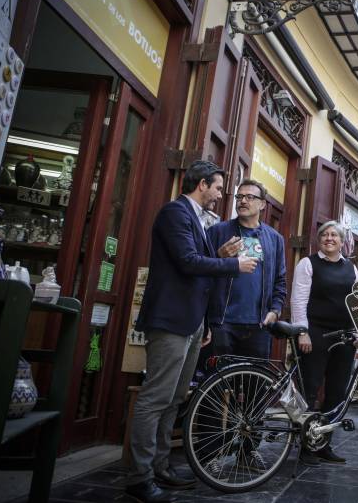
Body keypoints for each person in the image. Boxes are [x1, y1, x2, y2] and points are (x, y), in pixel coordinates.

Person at [127, 161, 259, 503]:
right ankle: (139, 477)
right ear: (202, 184)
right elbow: (186, 262)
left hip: (189, 322)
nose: (220, 194)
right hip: (170, 320)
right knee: (155, 397)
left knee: (173, 399)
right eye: (217, 187)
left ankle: (159, 468)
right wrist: (232, 264)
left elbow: (191, 266)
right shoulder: (174, 213)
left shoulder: (194, 218)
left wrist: (217, 256)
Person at [290, 220, 358, 466]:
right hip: (316, 334)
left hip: (344, 336)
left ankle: (324, 444)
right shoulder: (308, 263)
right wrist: (302, 332)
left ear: (342, 242)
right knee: (310, 390)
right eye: (325, 235)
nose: (329, 238)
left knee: (336, 393)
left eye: (334, 235)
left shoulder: (351, 268)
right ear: (319, 240)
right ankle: (306, 447)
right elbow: (299, 300)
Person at [207, 179, 286, 359]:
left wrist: (275, 310)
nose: (243, 201)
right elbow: (202, 270)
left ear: (262, 204)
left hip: (258, 325)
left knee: (252, 385)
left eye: (250, 197)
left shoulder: (275, 239)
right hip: (221, 323)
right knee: (217, 384)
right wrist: (220, 257)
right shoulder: (218, 232)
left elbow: (280, 281)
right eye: (240, 196)